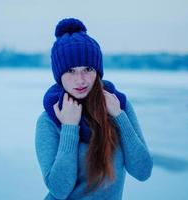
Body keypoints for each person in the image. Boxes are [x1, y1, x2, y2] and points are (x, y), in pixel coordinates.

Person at [35, 18, 153, 200]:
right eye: (71, 71)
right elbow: (59, 190)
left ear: (97, 71)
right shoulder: (50, 120)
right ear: (59, 75)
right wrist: (69, 128)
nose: (80, 80)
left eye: (88, 69)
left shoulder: (118, 105)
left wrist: (120, 117)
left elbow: (143, 171)